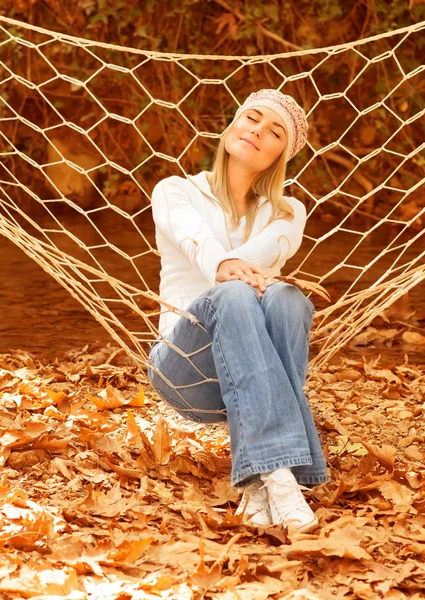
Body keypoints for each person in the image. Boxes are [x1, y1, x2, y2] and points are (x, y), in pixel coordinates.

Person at [147, 88, 328, 532]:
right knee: (235, 293)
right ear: (232, 125)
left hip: (248, 371)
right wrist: (226, 267)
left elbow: (258, 266)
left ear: (279, 155)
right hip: (185, 367)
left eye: (274, 132)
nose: (257, 132)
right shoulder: (175, 191)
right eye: (252, 118)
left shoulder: (289, 213)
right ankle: (286, 470)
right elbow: (211, 255)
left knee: (287, 298)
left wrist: (250, 278)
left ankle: (268, 481)